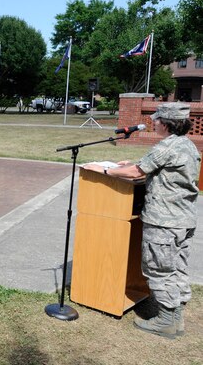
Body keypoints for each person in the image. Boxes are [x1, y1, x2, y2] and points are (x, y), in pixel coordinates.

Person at [83, 103, 199, 339]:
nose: (153, 123)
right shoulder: (186, 144)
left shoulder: (167, 146)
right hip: (182, 219)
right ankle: (175, 319)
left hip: (164, 221)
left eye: (156, 120)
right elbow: (154, 169)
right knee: (175, 268)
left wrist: (104, 170)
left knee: (159, 268)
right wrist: (130, 165)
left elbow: (137, 173)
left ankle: (166, 321)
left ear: (165, 123)